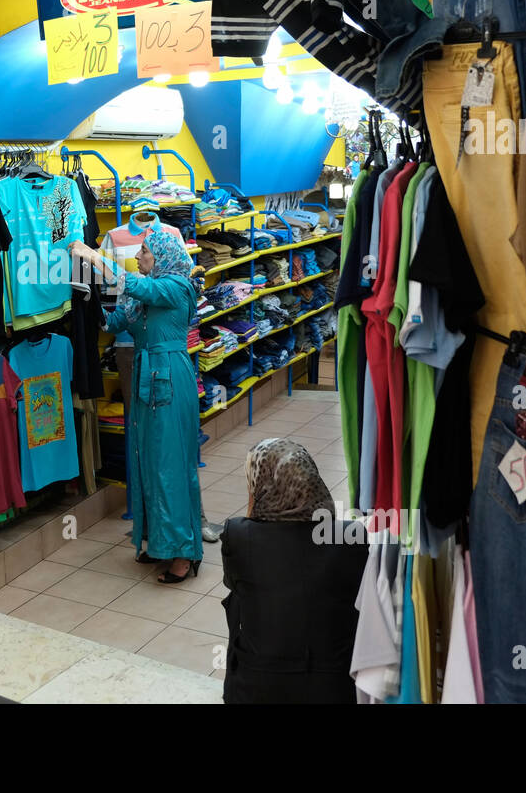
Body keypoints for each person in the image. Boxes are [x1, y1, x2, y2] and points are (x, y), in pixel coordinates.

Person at [71, 230, 202, 583]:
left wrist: (96, 258)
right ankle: (158, 542)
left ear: (160, 255)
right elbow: (115, 323)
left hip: (172, 378)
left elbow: (138, 287)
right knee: (147, 461)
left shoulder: (176, 286)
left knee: (171, 465)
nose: (140, 256)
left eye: (144, 251)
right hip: (149, 378)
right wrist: (90, 298)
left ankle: (183, 553)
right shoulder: (147, 289)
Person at [221, 439, 367, 703]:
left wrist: (253, 508)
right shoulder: (351, 537)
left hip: (257, 686)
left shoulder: (239, 536)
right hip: (334, 686)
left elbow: (235, 586)